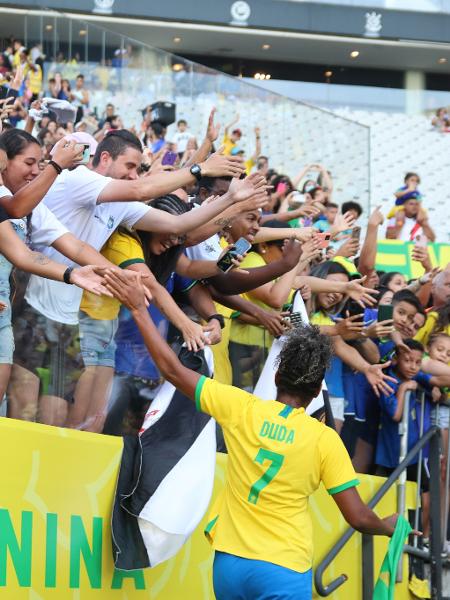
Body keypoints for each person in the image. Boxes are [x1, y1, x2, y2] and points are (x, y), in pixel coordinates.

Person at [104, 268, 400, 600]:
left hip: (229, 566)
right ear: (317, 389)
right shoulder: (323, 439)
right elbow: (359, 518)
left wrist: (138, 309)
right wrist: (388, 526)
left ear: (277, 377)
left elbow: (173, 370)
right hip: (283, 568)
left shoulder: (241, 407)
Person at [375, 339, 448, 540]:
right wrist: (404, 389)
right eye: (408, 361)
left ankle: (422, 540)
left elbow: (440, 381)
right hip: (391, 452)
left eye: (417, 362)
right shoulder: (386, 380)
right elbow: (396, 415)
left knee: (426, 496)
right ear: (396, 359)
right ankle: (397, 540)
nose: (413, 367)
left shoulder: (418, 376)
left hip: (414, 453)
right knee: (391, 498)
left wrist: (434, 387)